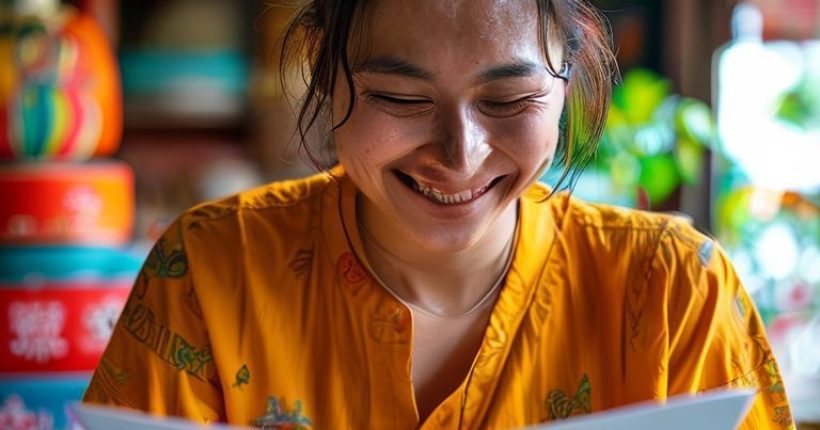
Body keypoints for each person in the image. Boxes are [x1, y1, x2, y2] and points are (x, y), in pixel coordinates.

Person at [83, 0, 794, 428]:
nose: (460, 153)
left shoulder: (674, 292)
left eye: (508, 101)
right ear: (326, 79)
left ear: (567, 85)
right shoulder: (212, 270)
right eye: (401, 97)